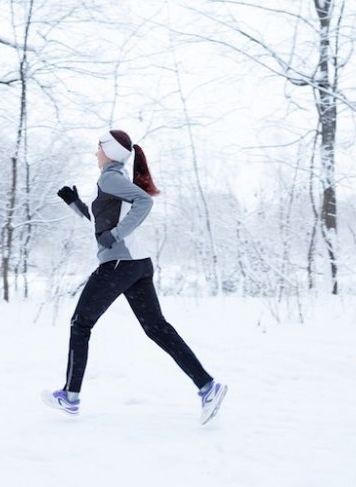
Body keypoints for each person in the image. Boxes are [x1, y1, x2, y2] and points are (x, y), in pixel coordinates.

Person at [41, 129, 227, 425]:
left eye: (98, 147)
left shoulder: (110, 178)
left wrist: (115, 235)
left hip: (119, 264)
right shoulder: (115, 179)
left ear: (110, 151)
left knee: (81, 324)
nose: (95, 153)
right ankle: (208, 387)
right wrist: (76, 205)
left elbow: (144, 204)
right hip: (138, 264)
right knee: (157, 328)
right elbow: (101, 221)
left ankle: (70, 396)